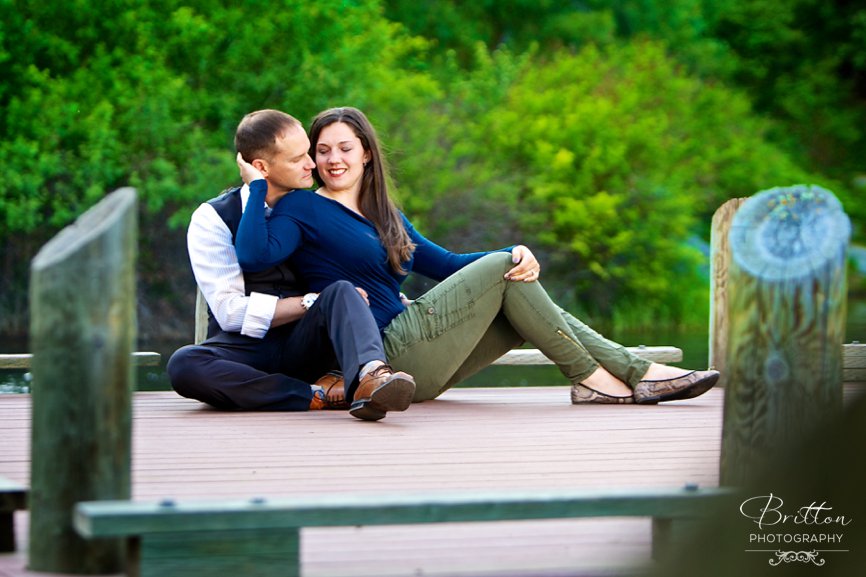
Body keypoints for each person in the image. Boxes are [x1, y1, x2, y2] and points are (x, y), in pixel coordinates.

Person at [234, 106, 719, 405]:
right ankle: (615, 375)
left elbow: (443, 264)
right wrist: (257, 187)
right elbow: (254, 255)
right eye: (321, 151)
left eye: (344, 147)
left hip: (417, 364)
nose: (332, 159)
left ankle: (618, 374)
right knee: (504, 272)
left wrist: (514, 251)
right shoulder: (301, 206)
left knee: (517, 302)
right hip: (381, 352)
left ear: (366, 154)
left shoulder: (386, 215)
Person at [166, 109, 415, 421]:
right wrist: (309, 302)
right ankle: (311, 395)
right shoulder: (213, 218)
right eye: (298, 159)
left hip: (308, 343)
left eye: (309, 154)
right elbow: (229, 312)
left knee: (339, 291)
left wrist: (389, 297)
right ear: (261, 168)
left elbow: (356, 270)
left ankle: (371, 378)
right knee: (184, 365)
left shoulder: (314, 206)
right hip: (245, 350)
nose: (313, 164)